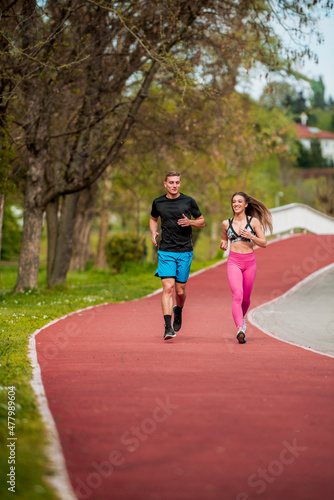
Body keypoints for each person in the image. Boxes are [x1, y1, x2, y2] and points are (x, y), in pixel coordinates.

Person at [150, 171, 205, 340]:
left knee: (180, 292)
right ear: (165, 184)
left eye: (177, 182)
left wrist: (190, 222)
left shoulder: (189, 201)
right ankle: (168, 328)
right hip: (166, 250)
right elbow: (153, 218)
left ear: (180, 184)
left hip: (184, 251)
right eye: (171, 182)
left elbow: (202, 221)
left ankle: (178, 309)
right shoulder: (158, 202)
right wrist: (153, 233)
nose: (174, 185)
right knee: (168, 288)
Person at [220, 192, 272, 344]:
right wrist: (223, 244)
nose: (236, 204)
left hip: (250, 262)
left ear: (246, 204)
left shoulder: (253, 222)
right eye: (234, 202)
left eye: (239, 201)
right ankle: (240, 328)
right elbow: (224, 240)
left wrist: (251, 236)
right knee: (237, 294)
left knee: (246, 298)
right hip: (233, 261)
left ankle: (241, 319)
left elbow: (264, 243)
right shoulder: (226, 223)